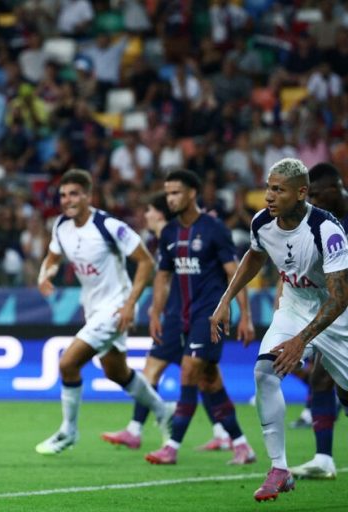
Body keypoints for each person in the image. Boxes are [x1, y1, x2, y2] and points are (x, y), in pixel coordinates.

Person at [210, 158, 348, 502]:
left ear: (302, 193)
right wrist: (226, 299)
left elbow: (340, 298)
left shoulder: (326, 230)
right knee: (265, 371)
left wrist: (302, 341)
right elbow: (254, 256)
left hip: (336, 316)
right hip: (295, 307)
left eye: (278, 189)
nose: (268, 196)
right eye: (268, 187)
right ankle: (279, 469)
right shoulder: (262, 222)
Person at [34, 169, 174, 456]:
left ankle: (68, 432)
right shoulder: (61, 225)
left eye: (74, 194)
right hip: (93, 308)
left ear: (88, 196)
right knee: (115, 371)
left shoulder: (109, 226)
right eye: (63, 195)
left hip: (116, 307)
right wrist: (45, 274)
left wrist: (130, 304)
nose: (67, 200)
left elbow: (145, 262)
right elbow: (53, 255)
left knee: (68, 364)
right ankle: (165, 411)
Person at [102, 193, 232, 451]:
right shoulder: (176, 235)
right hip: (184, 313)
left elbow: (172, 278)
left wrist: (157, 312)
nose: (146, 215)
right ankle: (224, 432)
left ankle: (135, 430)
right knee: (205, 374)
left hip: (180, 315)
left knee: (154, 369)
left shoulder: (172, 235)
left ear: (160, 214)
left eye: (149, 210)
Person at [145, 169, 256, 466]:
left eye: (176, 192)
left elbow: (236, 274)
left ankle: (171, 446)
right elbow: (163, 277)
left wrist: (245, 315)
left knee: (189, 371)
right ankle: (242, 445)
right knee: (209, 381)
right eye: (167, 193)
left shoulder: (214, 229)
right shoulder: (168, 232)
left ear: (192, 193)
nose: (170, 198)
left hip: (211, 316)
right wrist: (155, 313)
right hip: (181, 317)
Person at [287, 162, 346, 480]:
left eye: (320, 196)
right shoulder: (320, 223)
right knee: (322, 379)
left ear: (336, 189)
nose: (316, 204)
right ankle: (323, 459)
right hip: (340, 311)